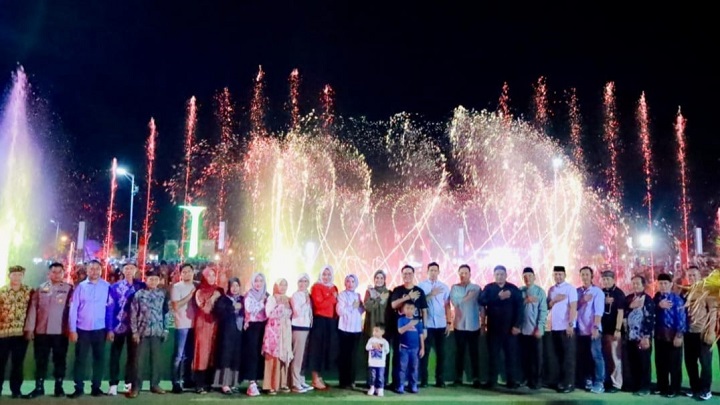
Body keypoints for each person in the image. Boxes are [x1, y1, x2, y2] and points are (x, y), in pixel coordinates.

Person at [24, 262, 73, 398]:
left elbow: (72, 311)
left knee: (60, 360)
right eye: (54, 272)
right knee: (40, 360)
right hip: (42, 331)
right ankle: (39, 387)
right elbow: (33, 309)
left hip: (60, 332)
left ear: (64, 273)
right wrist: (29, 328)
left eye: (59, 272)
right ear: (48, 274)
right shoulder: (40, 289)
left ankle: (59, 387)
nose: (56, 274)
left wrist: (71, 329)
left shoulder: (69, 289)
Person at [69, 260, 111, 398]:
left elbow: (110, 308)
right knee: (80, 359)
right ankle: (79, 388)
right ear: (87, 271)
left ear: (101, 270)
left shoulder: (106, 286)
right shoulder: (80, 287)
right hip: (82, 329)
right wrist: (72, 329)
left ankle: (96, 387)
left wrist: (110, 329)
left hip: (100, 329)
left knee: (99, 359)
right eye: (91, 269)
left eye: (97, 269)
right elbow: (74, 309)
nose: (94, 271)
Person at [127, 269, 170, 398]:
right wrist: (134, 332)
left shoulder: (162, 294)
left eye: (156, 279)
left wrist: (166, 329)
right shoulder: (139, 294)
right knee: (138, 362)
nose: (153, 281)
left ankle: (155, 385)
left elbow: (166, 313)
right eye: (151, 279)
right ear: (146, 280)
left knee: (156, 361)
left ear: (159, 281)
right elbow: (133, 314)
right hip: (142, 333)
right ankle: (136, 387)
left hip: (157, 332)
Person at [479, 264, 523, 389]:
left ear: (506, 275)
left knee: (511, 356)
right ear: (494, 275)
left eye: (502, 274)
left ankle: (512, 381)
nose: (500, 276)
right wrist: (498, 297)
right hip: (493, 329)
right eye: (497, 274)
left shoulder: (513, 289)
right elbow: (482, 301)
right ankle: (492, 381)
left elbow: (520, 308)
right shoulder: (489, 288)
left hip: (510, 330)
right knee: (493, 356)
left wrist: (517, 325)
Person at [106, 262, 146, 396]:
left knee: (132, 357)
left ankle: (129, 384)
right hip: (118, 326)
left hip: (134, 328)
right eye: (126, 268)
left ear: (136, 270)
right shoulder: (115, 287)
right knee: (115, 356)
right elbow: (110, 308)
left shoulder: (140, 286)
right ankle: (113, 384)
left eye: (131, 268)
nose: (129, 271)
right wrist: (110, 328)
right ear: (122, 271)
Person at [389, 265, 428, 389]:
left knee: (414, 361)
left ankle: (412, 384)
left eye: (409, 273)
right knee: (397, 358)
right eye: (405, 273)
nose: (407, 276)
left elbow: (424, 311)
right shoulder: (398, 290)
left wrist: (425, 328)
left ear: (413, 274)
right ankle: (397, 384)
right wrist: (407, 297)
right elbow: (393, 305)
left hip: (415, 331)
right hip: (399, 330)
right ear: (402, 275)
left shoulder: (420, 291)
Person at [0, 265, 32, 398]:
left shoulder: (29, 291)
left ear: (23, 276)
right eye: (14, 274)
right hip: (3, 334)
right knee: (0, 363)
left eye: (19, 275)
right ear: (9, 276)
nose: (17, 277)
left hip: (21, 334)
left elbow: (33, 311)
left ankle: (16, 390)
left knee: (18, 364)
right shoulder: (2, 291)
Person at [683, 266, 715, 400]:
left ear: (700, 276)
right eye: (689, 275)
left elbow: (713, 312)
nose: (691, 278)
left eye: (694, 275)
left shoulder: (707, 291)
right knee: (690, 362)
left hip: (703, 332)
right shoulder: (684, 292)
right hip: (688, 333)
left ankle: (706, 389)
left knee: (705, 363)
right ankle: (695, 387)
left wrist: (711, 331)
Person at [653, 272, 687, 398]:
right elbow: (650, 312)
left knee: (674, 363)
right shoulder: (656, 299)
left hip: (673, 335)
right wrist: (658, 305)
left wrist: (679, 335)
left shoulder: (677, 299)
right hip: (659, 335)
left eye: (665, 283)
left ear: (671, 284)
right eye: (660, 283)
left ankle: (674, 388)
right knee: (660, 362)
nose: (663, 286)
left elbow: (682, 318)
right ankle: (662, 386)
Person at [417, 262, 450, 388]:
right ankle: (424, 380)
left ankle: (440, 380)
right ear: (427, 271)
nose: (433, 272)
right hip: (427, 324)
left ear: (439, 272)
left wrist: (448, 322)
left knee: (442, 354)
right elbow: (419, 303)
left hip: (441, 324)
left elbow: (447, 305)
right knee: (424, 353)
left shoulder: (444, 287)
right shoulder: (421, 286)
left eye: (435, 270)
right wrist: (431, 294)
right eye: (431, 270)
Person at [449, 264, 481, 387]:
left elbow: (481, 307)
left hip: (474, 326)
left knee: (474, 353)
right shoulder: (454, 288)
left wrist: (483, 324)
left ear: (470, 274)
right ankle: (458, 378)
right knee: (459, 353)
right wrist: (468, 297)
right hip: (459, 326)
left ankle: (476, 378)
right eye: (461, 273)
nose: (463, 275)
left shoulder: (477, 288)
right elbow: (455, 302)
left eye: (465, 273)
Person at [547, 265, 578, 394]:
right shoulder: (551, 289)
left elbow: (573, 307)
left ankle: (569, 383)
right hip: (555, 328)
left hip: (566, 328)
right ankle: (560, 382)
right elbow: (549, 305)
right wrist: (554, 300)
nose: (558, 276)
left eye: (560, 274)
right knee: (558, 356)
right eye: (556, 274)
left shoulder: (570, 289)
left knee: (568, 357)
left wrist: (570, 324)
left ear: (565, 275)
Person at [192, 267, 222, 394]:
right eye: (208, 275)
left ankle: (210, 383)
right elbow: (205, 309)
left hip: (216, 325)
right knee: (202, 353)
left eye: (213, 275)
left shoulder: (219, 290)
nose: (211, 278)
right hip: (203, 324)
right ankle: (199, 384)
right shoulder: (199, 292)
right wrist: (213, 298)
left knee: (212, 353)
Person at [575, 266, 605, 394]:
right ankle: (587, 379)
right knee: (585, 356)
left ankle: (599, 382)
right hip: (581, 330)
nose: (585, 277)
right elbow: (572, 307)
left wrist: (596, 327)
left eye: (587, 274)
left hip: (593, 329)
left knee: (596, 356)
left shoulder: (597, 292)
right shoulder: (577, 292)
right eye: (582, 274)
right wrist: (582, 300)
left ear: (592, 276)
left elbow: (599, 311)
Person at [308, 265, 339, 390]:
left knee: (325, 350)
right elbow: (319, 305)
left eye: (329, 275)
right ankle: (314, 378)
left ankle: (319, 377)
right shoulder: (316, 287)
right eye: (324, 274)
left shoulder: (334, 287)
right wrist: (332, 298)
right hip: (319, 321)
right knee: (317, 349)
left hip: (330, 322)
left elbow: (336, 305)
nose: (326, 277)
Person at [212, 277, 244, 395]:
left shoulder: (242, 299)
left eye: (237, 286)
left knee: (236, 357)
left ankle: (233, 383)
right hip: (226, 333)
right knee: (225, 356)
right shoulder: (224, 299)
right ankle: (224, 384)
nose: (235, 288)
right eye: (232, 286)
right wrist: (232, 307)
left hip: (238, 333)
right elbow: (218, 311)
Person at [624, 275, 655, 396]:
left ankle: (645, 386)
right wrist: (631, 306)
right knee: (633, 362)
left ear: (643, 285)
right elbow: (623, 311)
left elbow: (650, 318)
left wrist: (646, 336)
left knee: (644, 363)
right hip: (631, 337)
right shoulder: (629, 299)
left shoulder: (647, 299)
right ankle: (635, 385)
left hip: (642, 337)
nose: (635, 285)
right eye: (634, 283)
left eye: (638, 283)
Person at [262, 279, 293, 395]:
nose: (283, 287)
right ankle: (269, 385)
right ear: (276, 286)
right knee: (272, 356)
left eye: (285, 284)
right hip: (273, 331)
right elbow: (268, 314)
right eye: (281, 284)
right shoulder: (272, 298)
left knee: (283, 355)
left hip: (285, 331)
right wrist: (280, 305)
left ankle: (281, 383)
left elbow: (290, 314)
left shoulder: (287, 299)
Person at [170, 263, 197, 393]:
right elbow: (176, 306)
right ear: (181, 274)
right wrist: (190, 296)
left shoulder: (196, 286)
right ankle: (175, 382)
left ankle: (187, 379)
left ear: (193, 272)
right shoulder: (177, 287)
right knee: (178, 355)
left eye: (189, 271)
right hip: (181, 325)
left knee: (189, 355)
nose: (186, 274)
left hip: (194, 325)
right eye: (184, 272)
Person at [519, 267, 547, 390]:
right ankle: (526, 378)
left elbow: (543, 310)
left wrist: (539, 327)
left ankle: (537, 380)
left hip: (535, 331)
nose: (527, 278)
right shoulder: (520, 291)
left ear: (534, 277)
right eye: (525, 276)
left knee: (537, 358)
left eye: (530, 276)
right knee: (524, 357)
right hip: (523, 331)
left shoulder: (540, 292)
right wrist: (525, 300)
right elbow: (515, 308)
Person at [337, 274, 364, 389]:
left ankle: (352, 381)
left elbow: (361, 310)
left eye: (353, 281)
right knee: (345, 356)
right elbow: (340, 311)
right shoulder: (341, 295)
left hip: (356, 329)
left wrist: (360, 306)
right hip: (345, 329)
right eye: (348, 281)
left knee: (353, 357)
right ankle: (343, 382)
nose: (350, 284)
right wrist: (352, 307)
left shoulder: (358, 295)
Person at [363, 270, 390, 386]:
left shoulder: (388, 292)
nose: (379, 280)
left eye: (381, 278)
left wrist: (375, 298)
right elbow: (368, 307)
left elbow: (384, 305)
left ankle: (382, 382)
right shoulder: (368, 292)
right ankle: (371, 382)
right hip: (371, 327)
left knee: (383, 355)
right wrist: (375, 297)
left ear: (384, 280)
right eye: (377, 278)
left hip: (383, 326)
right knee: (371, 357)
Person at [600, 270, 625, 393]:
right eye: (604, 279)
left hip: (613, 331)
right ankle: (607, 380)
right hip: (602, 330)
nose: (606, 281)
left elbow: (621, 312)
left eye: (608, 279)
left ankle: (617, 383)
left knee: (615, 357)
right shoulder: (601, 292)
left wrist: (618, 329)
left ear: (614, 279)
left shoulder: (619, 293)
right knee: (605, 357)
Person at [244, 272, 268, 397]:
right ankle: (251, 382)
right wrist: (262, 302)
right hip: (252, 327)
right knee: (252, 354)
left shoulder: (266, 295)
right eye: (256, 281)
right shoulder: (249, 295)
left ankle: (258, 380)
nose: (259, 283)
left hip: (264, 326)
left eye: (261, 281)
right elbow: (250, 309)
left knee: (260, 353)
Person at [289, 273, 313, 393]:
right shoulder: (295, 296)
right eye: (300, 281)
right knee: (297, 356)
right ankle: (295, 382)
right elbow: (297, 312)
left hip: (306, 328)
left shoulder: (307, 295)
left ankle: (301, 380)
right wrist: (306, 303)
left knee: (303, 356)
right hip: (298, 327)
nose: (303, 284)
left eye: (305, 281)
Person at [396, 301, 425, 394]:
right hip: (404, 348)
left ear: (415, 310)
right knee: (402, 368)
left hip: (415, 349)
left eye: (411, 308)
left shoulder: (418, 322)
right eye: (407, 308)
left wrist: (422, 348)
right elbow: (400, 331)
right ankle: (401, 385)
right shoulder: (401, 320)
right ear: (403, 309)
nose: (409, 310)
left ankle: (413, 385)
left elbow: (421, 335)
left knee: (414, 368)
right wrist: (409, 325)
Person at [365, 324, 390, 397]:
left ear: (382, 332)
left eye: (377, 331)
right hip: (372, 363)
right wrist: (373, 346)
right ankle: (372, 387)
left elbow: (387, 350)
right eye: (374, 331)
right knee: (372, 376)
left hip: (381, 364)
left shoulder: (384, 342)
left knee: (380, 377)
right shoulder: (371, 340)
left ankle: (380, 388)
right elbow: (367, 347)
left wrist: (381, 348)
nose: (374, 333)